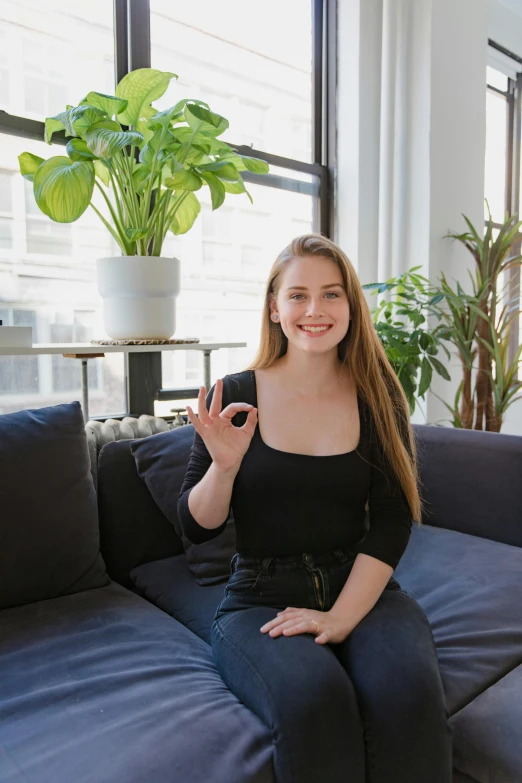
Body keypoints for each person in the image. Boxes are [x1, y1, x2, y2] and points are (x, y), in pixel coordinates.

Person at [177, 234, 452, 783]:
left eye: (331, 295)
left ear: (351, 306)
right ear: (274, 308)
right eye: (298, 295)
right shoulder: (235, 391)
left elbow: (394, 519)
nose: (315, 311)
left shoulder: (378, 394)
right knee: (316, 701)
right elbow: (196, 528)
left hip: (363, 589)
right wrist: (224, 467)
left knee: (408, 692)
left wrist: (340, 617)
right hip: (260, 599)